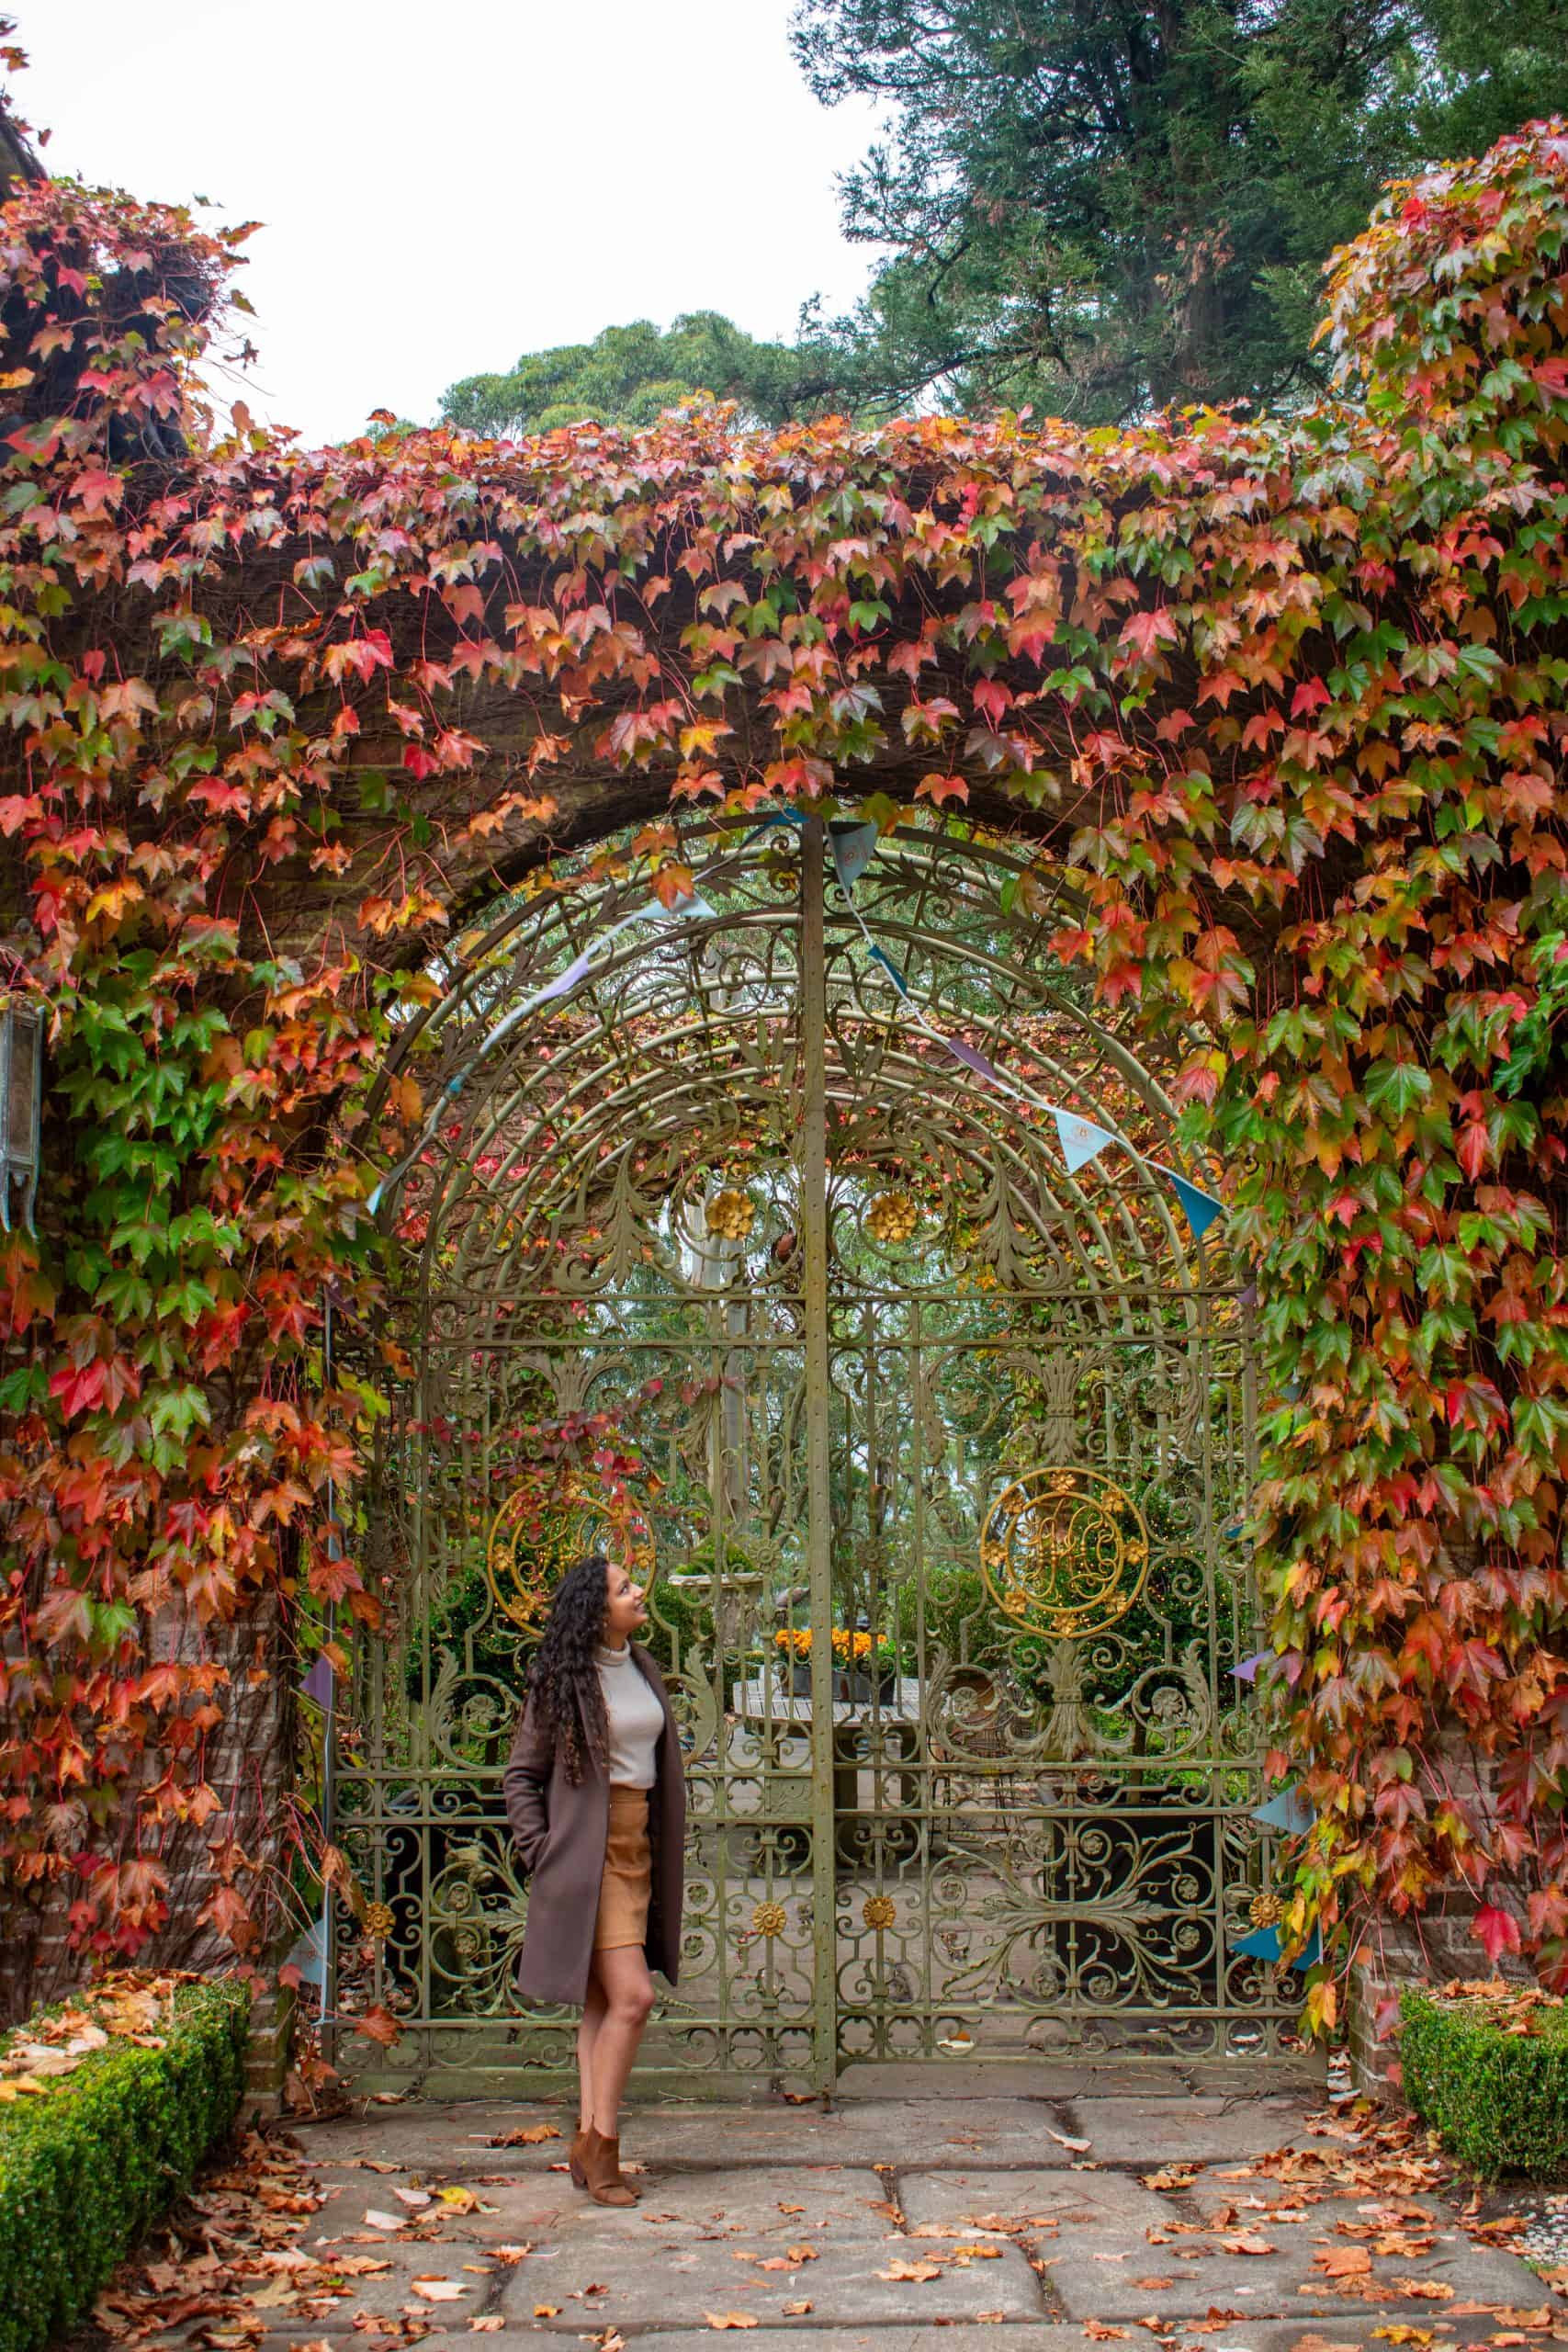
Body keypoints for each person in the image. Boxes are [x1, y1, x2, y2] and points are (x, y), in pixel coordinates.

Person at [502, 1553, 686, 2206]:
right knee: (634, 1998)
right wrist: (543, 1850)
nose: (639, 1593)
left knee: (604, 2003)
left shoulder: (641, 1667)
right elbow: (521, 1776)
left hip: (639, 1845)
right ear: (594, 1609)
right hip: (590, 1853)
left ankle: (585, 2137)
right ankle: (603, 2148)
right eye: (624, 1588)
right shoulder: (562, 1679)